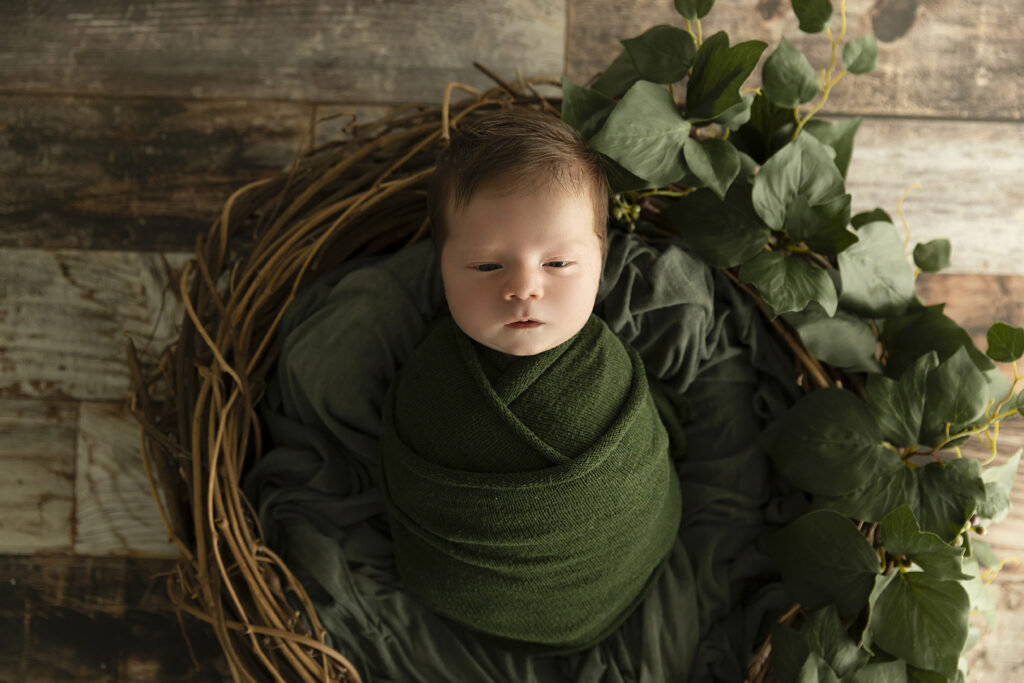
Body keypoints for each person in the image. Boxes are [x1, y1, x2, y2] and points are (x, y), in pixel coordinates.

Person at [376, 107, 682, 654]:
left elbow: (645, 475)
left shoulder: (610, 369)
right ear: (440, 267)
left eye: (559, 264)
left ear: (601, 261)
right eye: (487, 267)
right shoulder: (428, 382)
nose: (523, 288)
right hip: (468, 600)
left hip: (618, 572)